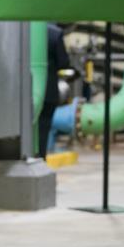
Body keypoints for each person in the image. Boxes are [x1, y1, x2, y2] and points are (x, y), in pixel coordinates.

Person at [38, 23, 70, 158]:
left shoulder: (19, 29)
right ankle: (40, 159)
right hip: (47, 91)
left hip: (20, 91)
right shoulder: (54, 33)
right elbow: (64, 62)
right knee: (43, 130)